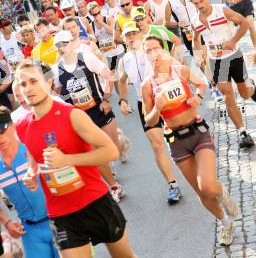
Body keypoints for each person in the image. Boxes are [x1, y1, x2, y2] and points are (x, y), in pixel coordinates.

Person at [14, 58, 137, 258]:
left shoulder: (71, 115)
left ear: (49, 82)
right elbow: (32, 151)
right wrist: (31, 171)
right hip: (60, 212)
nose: (28, 88)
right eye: (23, 84)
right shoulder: (22, 125)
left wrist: (68, 160)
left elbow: (110, 151)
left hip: (94, 201)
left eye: (33, 81)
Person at [141, 35, 240, 246]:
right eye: (148, 51)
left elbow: (201, 83)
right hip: (176, 140)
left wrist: (198, 96)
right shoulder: (147, 85)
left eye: (155, 49)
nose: (153, 54)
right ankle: (225, 223)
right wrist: (157, 108)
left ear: (164, 50)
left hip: (197, 131)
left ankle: (223, 194)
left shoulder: (178, 70)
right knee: (200, 192)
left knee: (208, 187)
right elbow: (149, 121)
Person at [53, 31, 128, 200]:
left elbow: (110, 76)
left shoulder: (86, 58)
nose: (61, 48)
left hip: (99, 108)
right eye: (58, 45)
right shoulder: (56, 69)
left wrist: (106, 99)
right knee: (98, 154)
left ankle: (121, 140)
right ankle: (114, 187)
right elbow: (58, 92)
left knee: (114, 150)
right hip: (81, 118)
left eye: (64, 43)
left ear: (72, 43)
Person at [118, 22, 182, 204]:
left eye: (133, 34)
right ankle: (173, 185)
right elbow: (122, 81)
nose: (131, 37)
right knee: (157, 145)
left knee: (177, 138)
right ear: (123, 39)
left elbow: (174, 65)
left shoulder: (151, 51)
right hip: (144, 104)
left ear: (139, 34)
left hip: (166, 98)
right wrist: (123, 100)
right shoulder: (124, 61)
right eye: (127, 35)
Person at [189, 0, 256, 148]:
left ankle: (252, 87)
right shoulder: (195, 21)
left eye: (202, 1)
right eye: (196, 3)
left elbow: (245, 23)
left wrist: (233, 41)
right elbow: (195, 38)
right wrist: (198, 58)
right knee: (227, 95)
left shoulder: (222, 10)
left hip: (233, 56)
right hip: (216, 61)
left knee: (244, 93)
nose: (200, 5)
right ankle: (242, 133)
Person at [0, 105, 59, 258]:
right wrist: (6, 222)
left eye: (2, 130)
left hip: (59, 221)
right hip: (29, 230)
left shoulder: (33, 150)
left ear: (12, 127)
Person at [88, 2, 124, 94]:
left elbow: (113, 32)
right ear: (91, 14)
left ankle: (124, 99)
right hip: (106, 55)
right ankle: (122, 100)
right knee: (115, 78)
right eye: (94, 14)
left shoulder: (109, 19)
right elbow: (94, 39)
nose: (97, 16)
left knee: (121, 78)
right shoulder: (91, 25)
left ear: (100, 10)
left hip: (117, 52)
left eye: (98, 13)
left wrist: (102, 23)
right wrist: (91, 38)